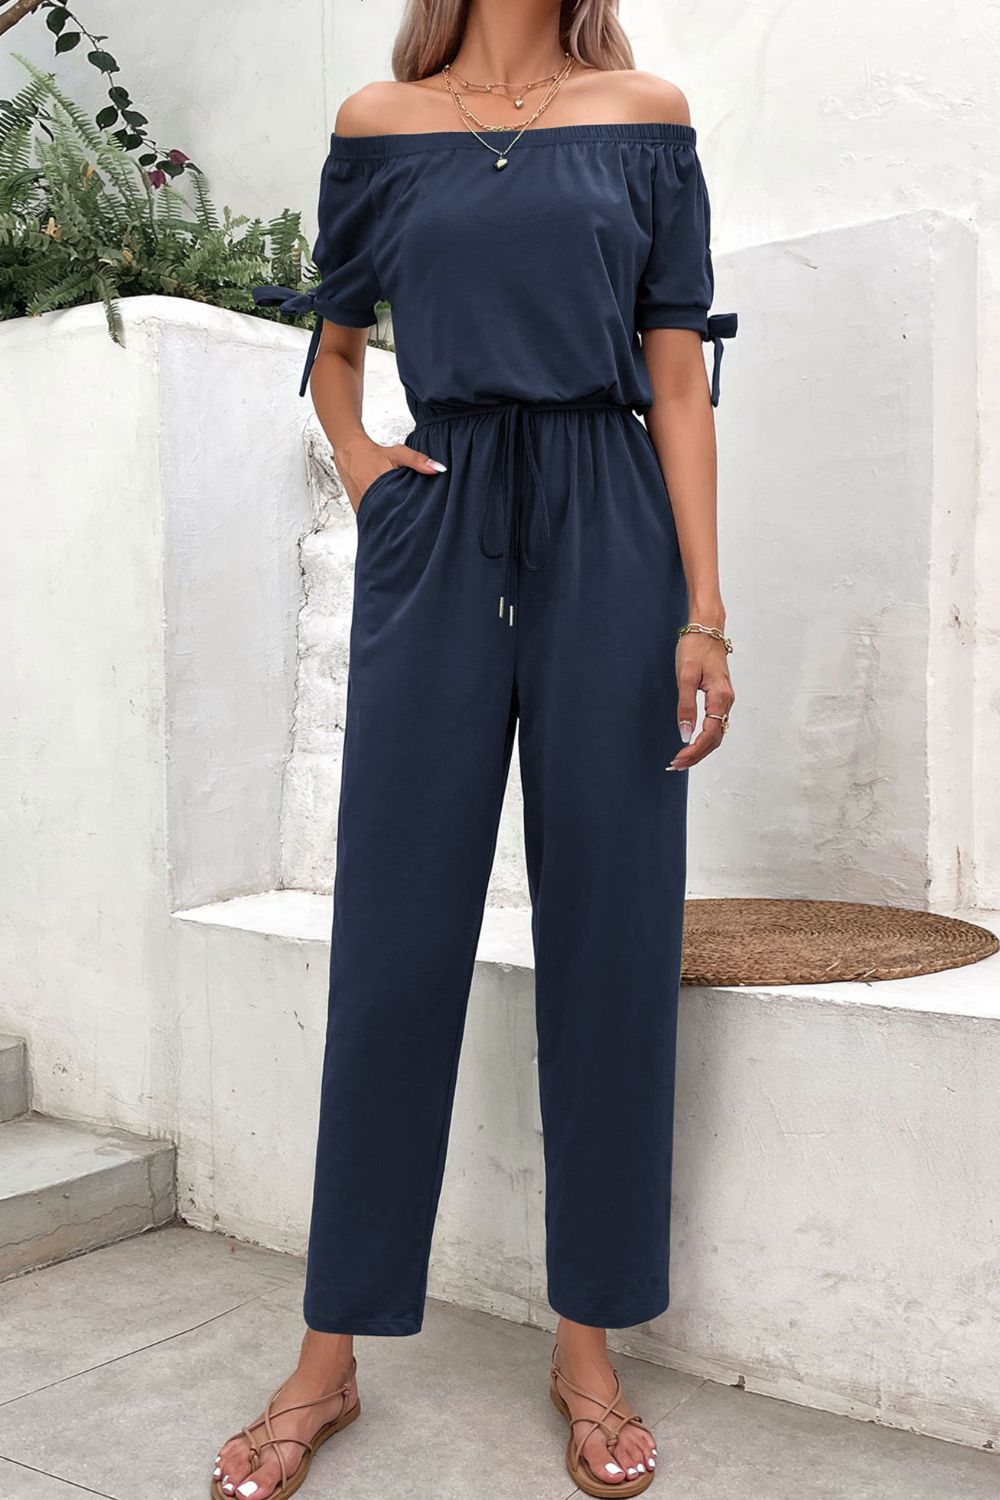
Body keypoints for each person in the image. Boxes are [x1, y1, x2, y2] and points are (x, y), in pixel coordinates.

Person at [214, 2, 736, 1495]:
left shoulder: (646, 115)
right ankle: (328, 1355)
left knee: (611, 935)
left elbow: (678, 375)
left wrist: (704, 610)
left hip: (611, 522)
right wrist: (365, 470)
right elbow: (336, 348)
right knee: (394, 934)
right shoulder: (378, 128)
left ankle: (588, 1346)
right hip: (437, 525)